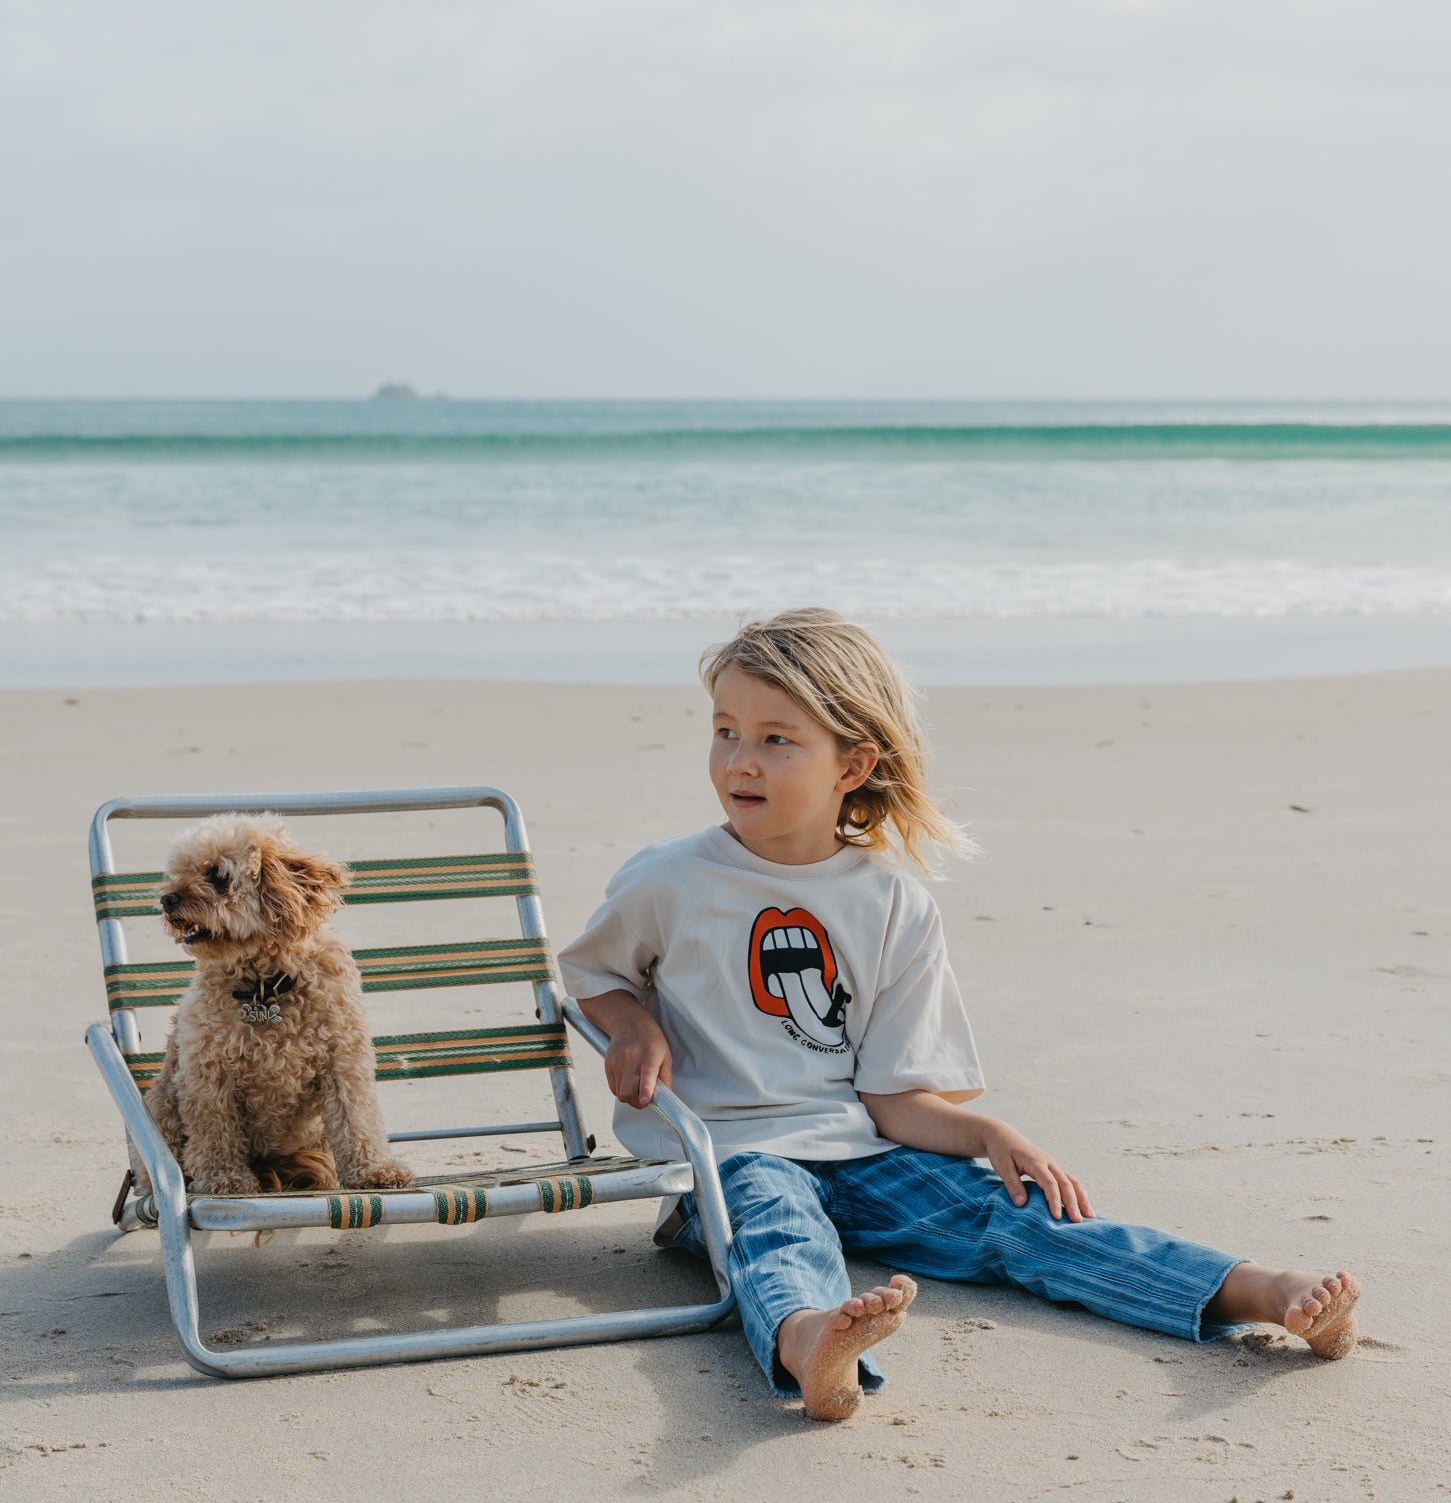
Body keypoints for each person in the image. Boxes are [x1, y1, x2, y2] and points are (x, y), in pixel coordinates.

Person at [557, 609, 1361, 1422]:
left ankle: (1255, 1289)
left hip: (860, 1151)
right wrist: (632, 1023)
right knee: (779, 1226)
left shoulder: (892, 905)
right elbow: (591, 973)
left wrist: (987, 1136)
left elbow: (891, 1098)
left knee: (1013, 1219)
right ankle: (808, 1342)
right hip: (728, 1153)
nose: (740, 760)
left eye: (776, 739)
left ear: (854, 763)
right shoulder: (672, 879)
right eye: (725, 731)